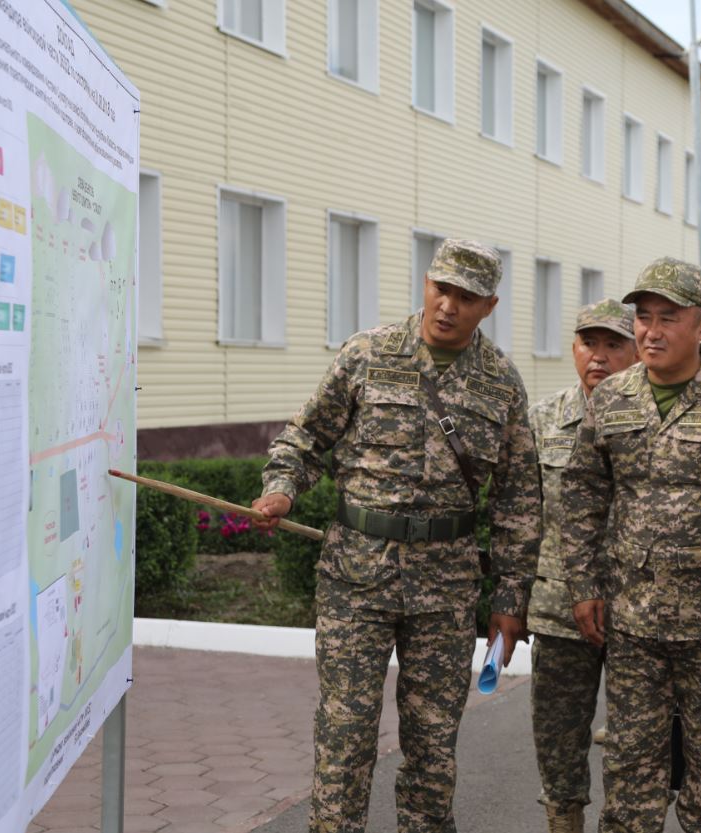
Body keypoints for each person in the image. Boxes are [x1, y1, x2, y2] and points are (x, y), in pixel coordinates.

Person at [251, 239, 540, 833]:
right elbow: (303, 439)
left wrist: (510, 600)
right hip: (356, 579)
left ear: (488, 305)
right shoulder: (367, 354)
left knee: (433, 743)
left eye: (465, 297)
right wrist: (283, 487)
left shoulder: (502, 384)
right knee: (345, 733)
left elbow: (517, 500)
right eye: (441, 289)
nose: (447, 307)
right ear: (426, 282)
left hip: (446, 588)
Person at [562, 257, 701, 833]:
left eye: (668, 319)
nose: (650, 331)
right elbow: (582, 495)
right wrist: (584, 585)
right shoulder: (612, 399)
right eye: (644, 318)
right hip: (632, 623)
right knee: (629, 771)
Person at [527, 299, 638, 833]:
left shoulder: (650, 417)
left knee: (637, 747)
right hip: (558, 609)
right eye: (588, 343)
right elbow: (519, 515)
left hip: (638, 613)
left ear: (637, 350)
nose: (598, 356)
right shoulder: (544, 419)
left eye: (614, 344)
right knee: (558, 739)